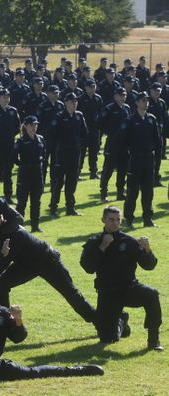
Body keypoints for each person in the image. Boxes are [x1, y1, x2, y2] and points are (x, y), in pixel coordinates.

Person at [0, 208, 96, 324]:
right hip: (25, 265)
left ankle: (99, 320)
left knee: (70, 292)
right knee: (1, 285)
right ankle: (5, 321)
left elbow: (4, 262)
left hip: (47, 261)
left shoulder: (17, 233)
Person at [80, 206, 163, 351]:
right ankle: (121, 321)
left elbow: (149, 265)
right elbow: (88, 267)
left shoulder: (129, 241)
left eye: (118, 220)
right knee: (107, 338)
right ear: (103, 220)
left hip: (129, 288)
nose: (115, 223)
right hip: (107, 292)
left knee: (152, 294)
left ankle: (153, 340)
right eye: (111, 219)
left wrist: (147, 250)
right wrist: (103, 246)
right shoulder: (94, 242)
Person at [122, 92, 162, 228]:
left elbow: (158, 140)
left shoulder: (152, 119)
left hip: (148, 159)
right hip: (135, 159)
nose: (146, 103)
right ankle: (128, 219)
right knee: (132, 192)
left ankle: (147, 218)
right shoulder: (130, 120)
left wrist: (157, 157)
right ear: (137, 102)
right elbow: (123, 141)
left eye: (147, 100)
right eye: (143, 100)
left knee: (148, 191)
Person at [49, 93, 88, 216]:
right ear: (65, 102)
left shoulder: (79, 116)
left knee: (72, 181)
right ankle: (54, 207)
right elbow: (53, 134)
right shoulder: (60, 116)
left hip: (75, 152)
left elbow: (84, 133)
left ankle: (70, 207)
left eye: (75, 101)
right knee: (59, 181)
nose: (74, 103)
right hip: (62, 153)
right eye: (71, 101)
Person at [0, 88, 21, 203]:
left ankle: (8, 196)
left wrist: (10, 135)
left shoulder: (13, 111)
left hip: (9, 145)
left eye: (8, 97)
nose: (6, 99)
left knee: (8, 172)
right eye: (4, 97)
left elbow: (17, 127)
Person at [13, 115, 45, 232]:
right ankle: (19, 226)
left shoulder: (40, 139)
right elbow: (14, 156)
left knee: (36, 201)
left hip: (37, 172)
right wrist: (22, 164)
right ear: (25, 126)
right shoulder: (21, 141)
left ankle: (35, 225)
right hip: (25, 172)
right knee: (22, 201)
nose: (34, 127)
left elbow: (44, 154)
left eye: (35, 125)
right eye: (31, 125)